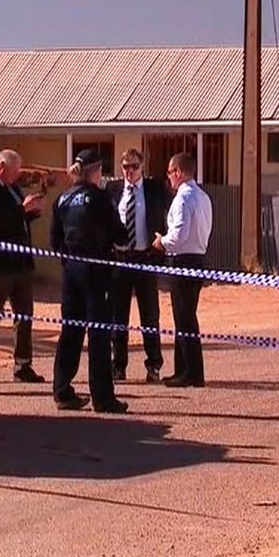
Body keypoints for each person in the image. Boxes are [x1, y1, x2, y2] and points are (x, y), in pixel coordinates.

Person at [50, 149, 129, 413]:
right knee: (98, 333)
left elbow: (54, 242)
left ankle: (62, 390)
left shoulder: (62, 199)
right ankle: (103, 397)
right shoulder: (99, 197)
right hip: (96, 270)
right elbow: (119, 234)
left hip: (70, 272)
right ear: (96, 171)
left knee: (70, 330)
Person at [0, 149, 45, 383]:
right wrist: (21, 210)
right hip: (1, 264)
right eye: (14, 172)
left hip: (21, 261)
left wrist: (30, 212)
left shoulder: (12, 189)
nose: (16, 177)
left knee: (24, 314)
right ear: (2, 167)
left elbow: (16, 218)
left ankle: (22, 364)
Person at [106, 148, 170, 383]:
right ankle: (118, 365)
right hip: (120, 259)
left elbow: (171, 216)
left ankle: (153, 365)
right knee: (118, 316)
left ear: (142, 166)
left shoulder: (154, 189)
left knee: (150, 316)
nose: (129, 171)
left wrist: (162, 243)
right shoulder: (113, 190)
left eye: (134, 166)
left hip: (145, 259)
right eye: (125, 167)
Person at [152, 153, 212, 388]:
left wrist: (162, 241)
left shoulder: (183, 199)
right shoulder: (203, 197)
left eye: (170, 172)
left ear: (178, 172)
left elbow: (178, 236)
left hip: (183, 260)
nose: (169, 178)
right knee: (185, 316)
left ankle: (192, 372)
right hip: (198, 259)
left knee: (184, 317)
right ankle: (183, 369)